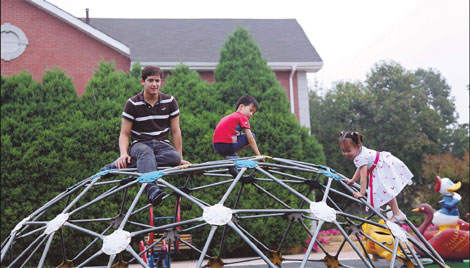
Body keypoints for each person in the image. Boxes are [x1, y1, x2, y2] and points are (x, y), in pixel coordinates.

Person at [106, 65, 190, 206]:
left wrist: (180, 158)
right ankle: (152, 190)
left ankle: (119, 166)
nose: (154, 84)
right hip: (140, 144)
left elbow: (176, 131)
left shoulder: (170, 101)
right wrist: (123, 153)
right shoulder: (132, 103)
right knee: (145, 153)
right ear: (142, 81)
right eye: (150, 80)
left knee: (174, 158)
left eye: (157, 81)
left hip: (162, 145)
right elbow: (124, 133)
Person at [339, 131, 413, 223]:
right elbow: (360, 168)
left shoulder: (360, 157)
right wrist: (353, 180)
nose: (346, 154)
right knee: (385, 190)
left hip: (382, 167)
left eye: (348, 151)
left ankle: (397, 214)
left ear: (357, 146)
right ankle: (396, 212)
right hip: (382, 164)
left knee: (386, 190)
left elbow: (363, 177)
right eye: (343, 151)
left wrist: (361, 193)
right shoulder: (360, 152)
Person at [213, 96, 261, 160]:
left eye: (253, 113)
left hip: (217, 146)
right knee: (252, 135)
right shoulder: (242, 117)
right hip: (228, 145)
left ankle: (231, 156)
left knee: (239, 135)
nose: (251, 114)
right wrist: (259, 155)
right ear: (241, 107)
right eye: (250, 110)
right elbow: (250, 138)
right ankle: (233, 154)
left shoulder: (230, 117)